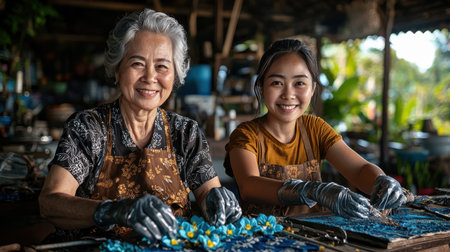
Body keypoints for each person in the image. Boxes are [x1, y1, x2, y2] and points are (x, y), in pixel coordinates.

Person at [39, 8, 241, 243]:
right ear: (117, 70)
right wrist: (114, 211)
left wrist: (217, 201)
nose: (150, 77)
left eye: (162, 66)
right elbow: (50, 202)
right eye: (137, 64)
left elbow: (207, 193)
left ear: (175, 76)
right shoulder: (88, 128)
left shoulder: (185, 133)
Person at [224, 39, 406, 218]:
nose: (288, 94)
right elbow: (248, 185)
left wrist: (380, 182)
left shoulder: (315, 129)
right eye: (277, 83)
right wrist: (311, 190)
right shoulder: (245, 135)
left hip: (316, 239)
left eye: (299, 83)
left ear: (312, 89)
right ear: (261, 87)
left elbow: (359, 169)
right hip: (261, 239)